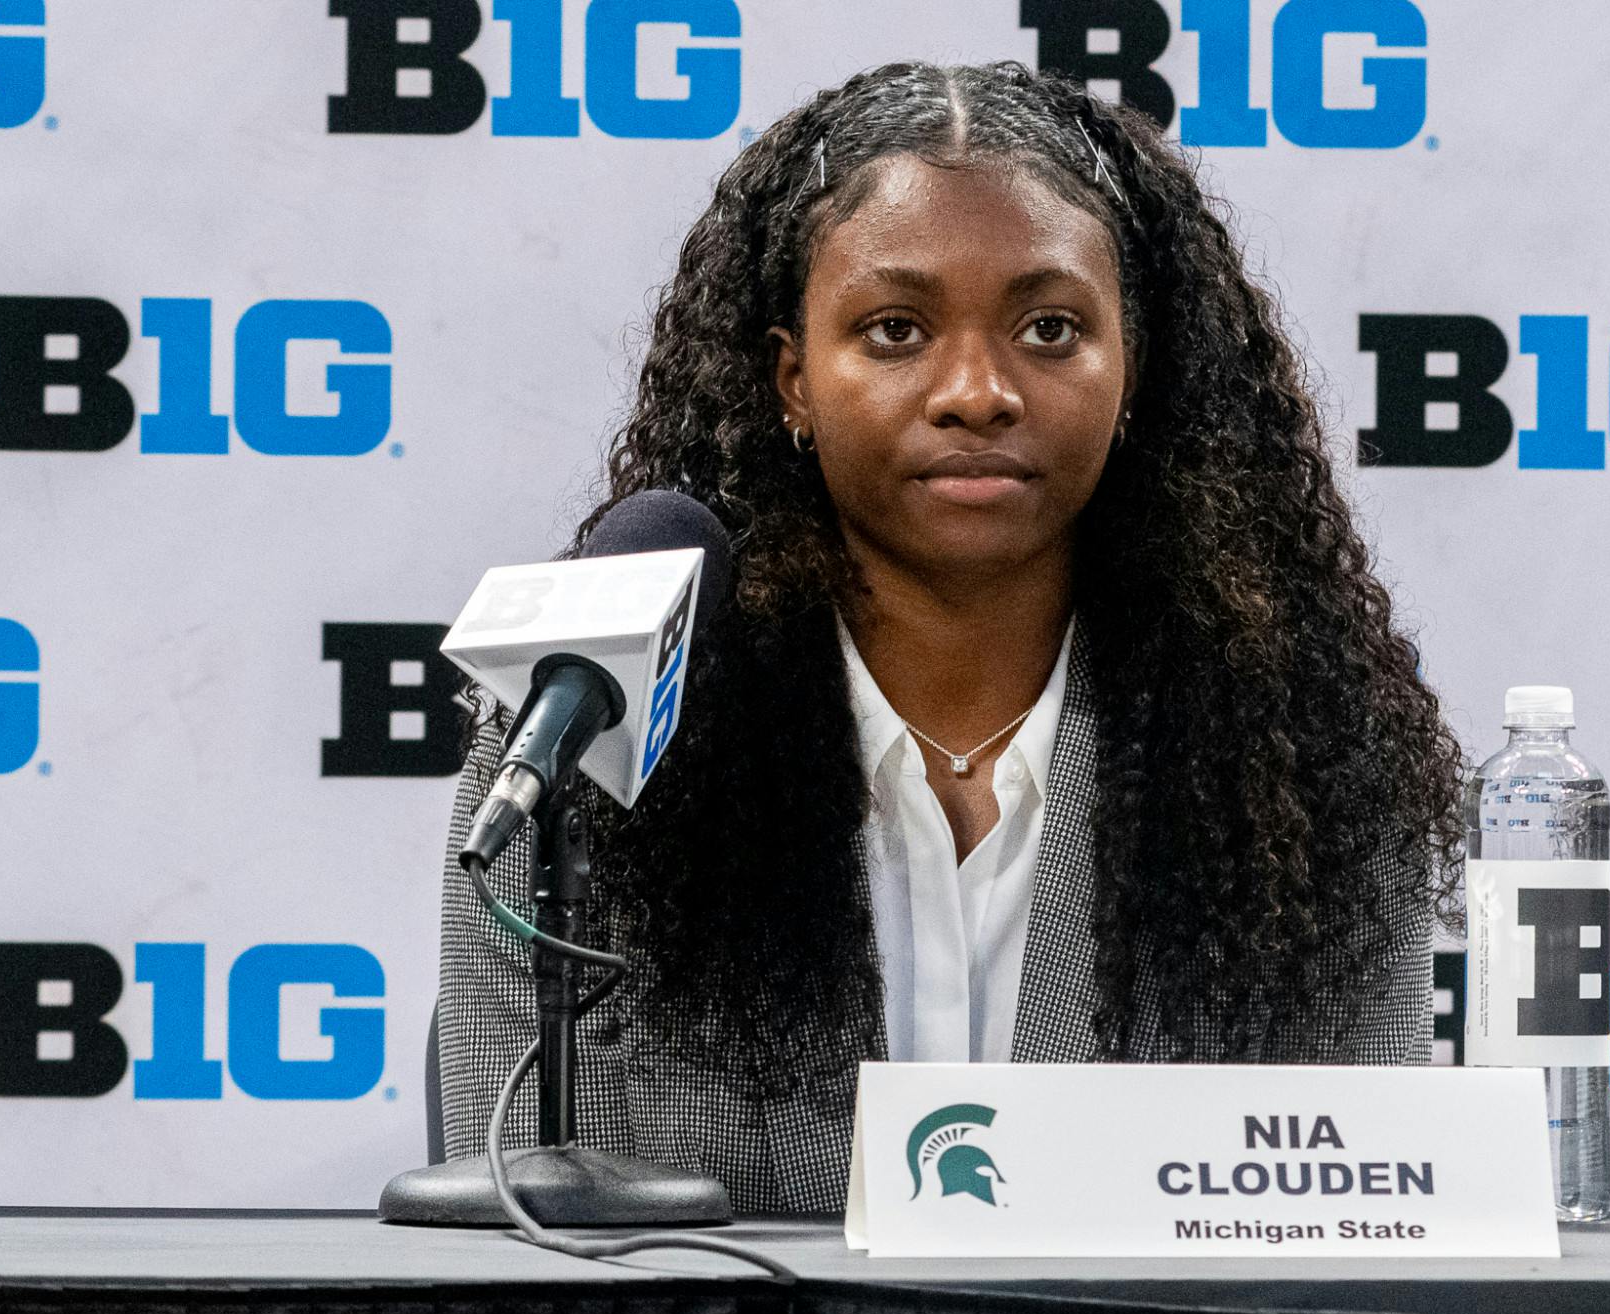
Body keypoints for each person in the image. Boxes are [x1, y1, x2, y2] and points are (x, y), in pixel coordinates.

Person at [437, 60, 1464, 1214]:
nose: (976, 389)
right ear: (791, 381)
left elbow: (1351, 1253)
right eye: (893, 330)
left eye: (1048, 326)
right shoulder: (588, 753)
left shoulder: (1308, 774)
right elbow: (515, 1256)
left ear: (1132, 373)